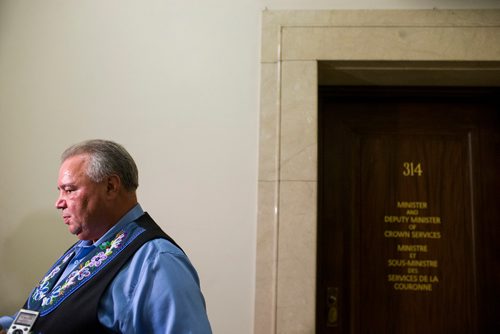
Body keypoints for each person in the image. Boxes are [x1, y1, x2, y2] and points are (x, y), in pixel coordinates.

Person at [0, 139, 212, 333]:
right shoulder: (82, 249)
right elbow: (41, 318)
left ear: (110, 187)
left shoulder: (158, 261)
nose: (59, 202)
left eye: (69, 190)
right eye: (60, 191)